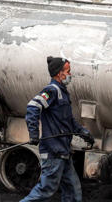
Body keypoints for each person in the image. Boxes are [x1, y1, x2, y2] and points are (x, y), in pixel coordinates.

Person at [20, 56, 94, 202]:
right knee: (45, 191)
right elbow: (33, 106)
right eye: (68, 71)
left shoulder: (63, 93)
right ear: (60, 74)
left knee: (73, 192)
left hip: (63, 152)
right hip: (53, 152)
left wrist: (83, 132)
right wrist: (33, 133)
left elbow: (68, 122)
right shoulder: (51, 90)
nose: (70, 75)